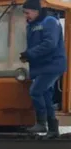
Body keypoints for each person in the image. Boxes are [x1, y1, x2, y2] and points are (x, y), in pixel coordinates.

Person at [20, 0, 66, 136]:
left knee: (35, 91)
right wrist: (26, 56)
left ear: (36, 11)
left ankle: (41, 124)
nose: (25, 16)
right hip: (42, 66)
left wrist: (31, 53)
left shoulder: (50, 22)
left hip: (52, 65)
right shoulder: (32, 25)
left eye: (27, 12)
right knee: (45, 95)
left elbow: (50, 44)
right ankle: (53, 129)